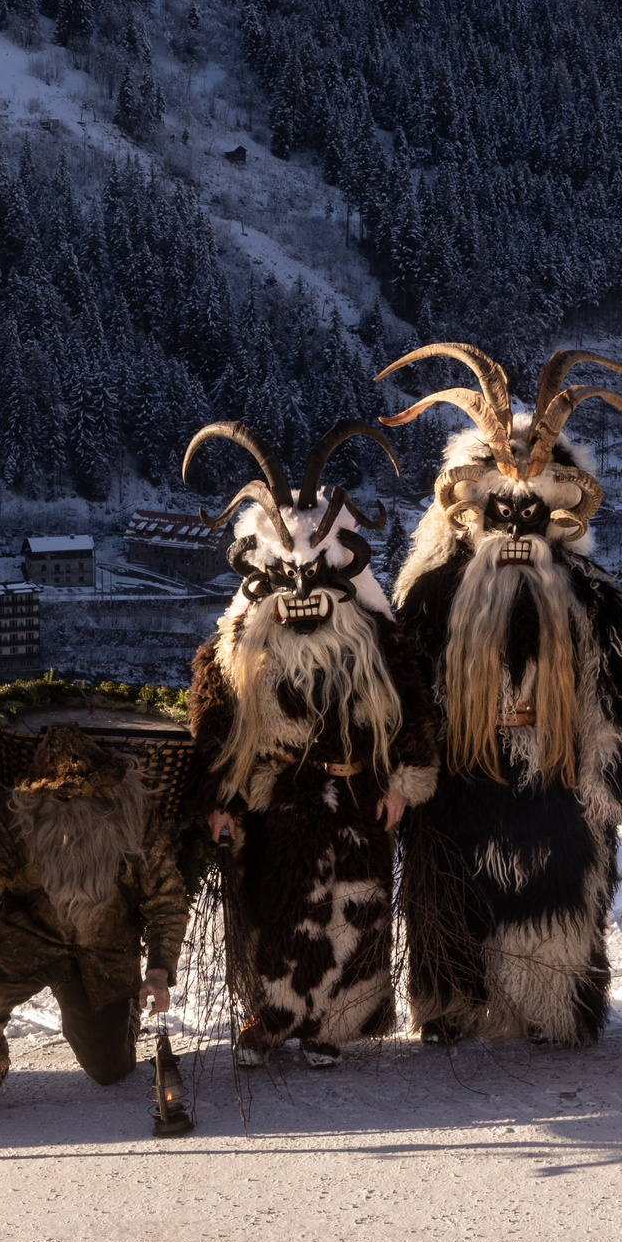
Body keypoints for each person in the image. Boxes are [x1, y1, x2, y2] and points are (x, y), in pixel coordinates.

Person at [379, 346, 622, 1047]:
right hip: (463, 785)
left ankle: (553, 1006)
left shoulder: (592, 598)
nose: (518, 527)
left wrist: (606, 779)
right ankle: (452, 1002)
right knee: (455, 895)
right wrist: (413, 775)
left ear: (560, 515)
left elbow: (613, 694)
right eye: (503, 509)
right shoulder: (433, 595)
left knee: (555, 904)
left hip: (555, 787)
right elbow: (410, 697)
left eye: (533, 514)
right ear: (474, 510)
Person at [179, 419, 436, 1067]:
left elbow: (411, 709)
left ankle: (337, 1023)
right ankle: (271, 1015)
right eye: (285, 573)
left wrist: (404, 783)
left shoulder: (375, 636)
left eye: (314, 569)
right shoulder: (235, 646)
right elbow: (213, 725)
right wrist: (220, 798)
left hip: (358, 793)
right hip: (282, 798)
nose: (300, 590)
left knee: (358, 908)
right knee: (283, 906)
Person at [0, 724, 192, 1134]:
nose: (74, 799)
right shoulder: (13, 812)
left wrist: (157, 971)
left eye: (86, 789)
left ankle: (123, 1016)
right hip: (31, 939)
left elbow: (166, 898)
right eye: (62, 793)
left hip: (105, 953)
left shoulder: (135, 817)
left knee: (110, 1070)